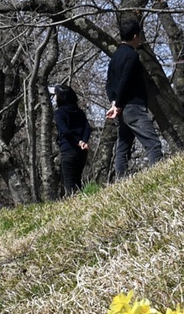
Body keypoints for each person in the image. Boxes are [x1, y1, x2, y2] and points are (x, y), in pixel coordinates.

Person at [106, 11, 166, 178]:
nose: (140, 39)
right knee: (153, 144)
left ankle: (121, 181)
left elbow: (109, 83)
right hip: (133, 106)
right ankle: (160, 176)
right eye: (139, 36)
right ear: (135, 36)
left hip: (121, 108)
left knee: (123, 147)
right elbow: (125, 80)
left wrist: (114, 103)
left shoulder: (115, 56)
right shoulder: (132, 55)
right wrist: (117, 104)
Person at [52, 85, 92, 194]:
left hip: (68, 148)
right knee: (78, 179)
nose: (54, 96)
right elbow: (87, 127)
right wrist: (83, 141)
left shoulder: (59, 113)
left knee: (69, 182)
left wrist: (77, 142)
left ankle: (73, 203)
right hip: (82, 150)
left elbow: (65, 131)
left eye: (56, 94)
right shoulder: (79, 112)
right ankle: (81, 201)